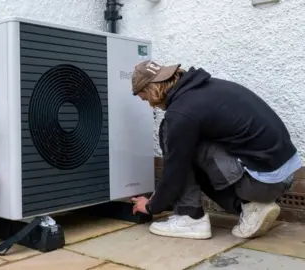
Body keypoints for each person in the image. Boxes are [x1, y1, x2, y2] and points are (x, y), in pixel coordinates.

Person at [129, 60, 301, 240]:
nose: (150, 105)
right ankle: (251, 208)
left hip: (262, 183)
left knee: (172, 136)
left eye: (145, 98)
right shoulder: (205, 89)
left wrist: (152, 206)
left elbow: (175, 168)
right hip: (282, 176)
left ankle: (190, 218)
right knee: (184, 143)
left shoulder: (182, 113)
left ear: (152, 90)